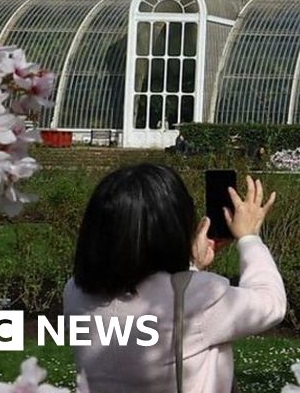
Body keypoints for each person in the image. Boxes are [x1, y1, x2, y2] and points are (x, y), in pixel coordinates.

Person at [63, 164, 285, 393]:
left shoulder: (75, 293)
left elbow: (158, 301)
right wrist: (249, 238)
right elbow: (271, 303)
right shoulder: (201, 296)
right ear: (173, 226)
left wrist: (192, 265)